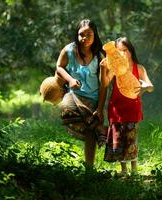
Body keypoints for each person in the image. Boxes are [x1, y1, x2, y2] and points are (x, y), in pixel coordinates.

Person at [56, 19, 108, 167]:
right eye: (81, 34)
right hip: (74, 96)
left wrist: (100, 108)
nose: (84, 38)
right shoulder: (69, 50)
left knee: (90, 132)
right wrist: (70, 80)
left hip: (93, 100)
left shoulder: (99, 56)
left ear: (95, 35)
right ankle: (100, 129)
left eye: (88, 34)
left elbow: (103, 86)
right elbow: (59, 67)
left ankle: (89, 170)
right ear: (76, 35)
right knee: (66, 108)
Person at [100, 37, 154, 174]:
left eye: (125, 50)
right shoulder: (115, 68)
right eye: (119, 51)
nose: (122, 54)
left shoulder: (139, 68)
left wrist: (145, 87)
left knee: (131, 138)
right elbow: (105, 83)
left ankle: (134, 170)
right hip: (116, 108)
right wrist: (103, 69)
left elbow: (150, 85)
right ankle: (123, 170)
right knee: (118, 139)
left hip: (133, 109)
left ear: (131, 51)